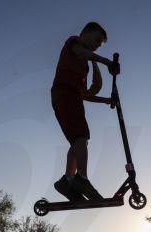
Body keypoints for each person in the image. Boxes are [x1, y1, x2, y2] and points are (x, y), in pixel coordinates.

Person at [51, 22, 120, 201]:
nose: (97, 46)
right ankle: (81, 178)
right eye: (97, 40)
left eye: (100, 44)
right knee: (81, 137)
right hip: (64, 93)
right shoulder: (73, 43)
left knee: (79, 140)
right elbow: (82, 52)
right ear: (84, 33)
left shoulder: (84, 66)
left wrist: (106, 101)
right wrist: (106, 62)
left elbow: (84, 94)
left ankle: (67, 181)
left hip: (71, 96)